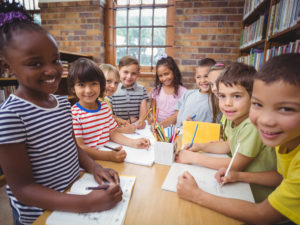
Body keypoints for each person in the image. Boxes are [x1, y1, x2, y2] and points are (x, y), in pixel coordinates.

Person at [0, 2, 122, 225]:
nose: (51, 70)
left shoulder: (62, 103)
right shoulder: (10, 117)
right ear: (7, 67)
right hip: (41, 215)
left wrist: (95, 167)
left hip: (72, 191)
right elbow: (23, 189)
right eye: (35, 63)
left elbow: (71, 146)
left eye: (55, 60)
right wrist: (86, 203)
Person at [177, 53, 300, 225]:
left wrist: (196, 195)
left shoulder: (262, 129)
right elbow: (280, 176)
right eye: (259, 104)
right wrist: (241, 176)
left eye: (286, 109)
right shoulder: (284, 141)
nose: (265, 120)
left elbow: (262, 215)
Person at [176, 62, 277, 202]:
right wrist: (200, 146)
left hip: (257, 197)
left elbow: (235, 165)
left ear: (254, 97)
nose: (227, 103)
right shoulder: (233, 116)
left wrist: (193, 158)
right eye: (222, 96)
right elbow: (228, 144)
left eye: (236, 96)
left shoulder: (251, 125)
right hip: (238, 186)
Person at [68, 58, 150, 163]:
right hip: (90, 163)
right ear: (73, 89)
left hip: (108, 155)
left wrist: (134, 143)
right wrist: (108, 156)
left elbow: (112, 133)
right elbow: (80, 148)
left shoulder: (104, 107)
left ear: (100, 85)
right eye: (81, 85)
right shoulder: (74, 114)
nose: (88, 90)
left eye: (93, 83)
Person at [107, 55, 148, 129]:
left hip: (136, 127)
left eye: (133, 73)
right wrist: (127, 122)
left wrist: (141, 121)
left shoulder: (142, 90)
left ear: (138, 74)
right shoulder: (112, 90)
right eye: (125, 72)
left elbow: (143, 112)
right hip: (118, 126)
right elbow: (109, 114)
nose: (129, 76)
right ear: (118, 71)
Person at [175, 58, 216, 127]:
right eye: (198, 77)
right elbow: (176, 115)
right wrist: (160, 125)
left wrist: (196, 127)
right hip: (177, 134)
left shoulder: (217, 101)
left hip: (198, 136)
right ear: (195, 78)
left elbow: (218, 129)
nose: (202, 80)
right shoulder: (188, 94)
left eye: (206, 76)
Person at [149, 54, 187, 127]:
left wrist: (161, 125)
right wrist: (151, 117)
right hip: (157, 126)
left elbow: (177, 115)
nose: (164, 78)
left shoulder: (183, 92)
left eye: (166, 74)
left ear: (174, 72)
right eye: (160, 76)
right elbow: (152, 110)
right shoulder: (157, 90)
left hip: (174, 128)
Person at [99, 63, 136, 134]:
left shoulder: (105, 99)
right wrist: (124, 130)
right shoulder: (96, 103)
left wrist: (118, 119)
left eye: (116, 83)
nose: (113, 86)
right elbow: (100, 130)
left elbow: (107, 116)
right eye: (108, 81)